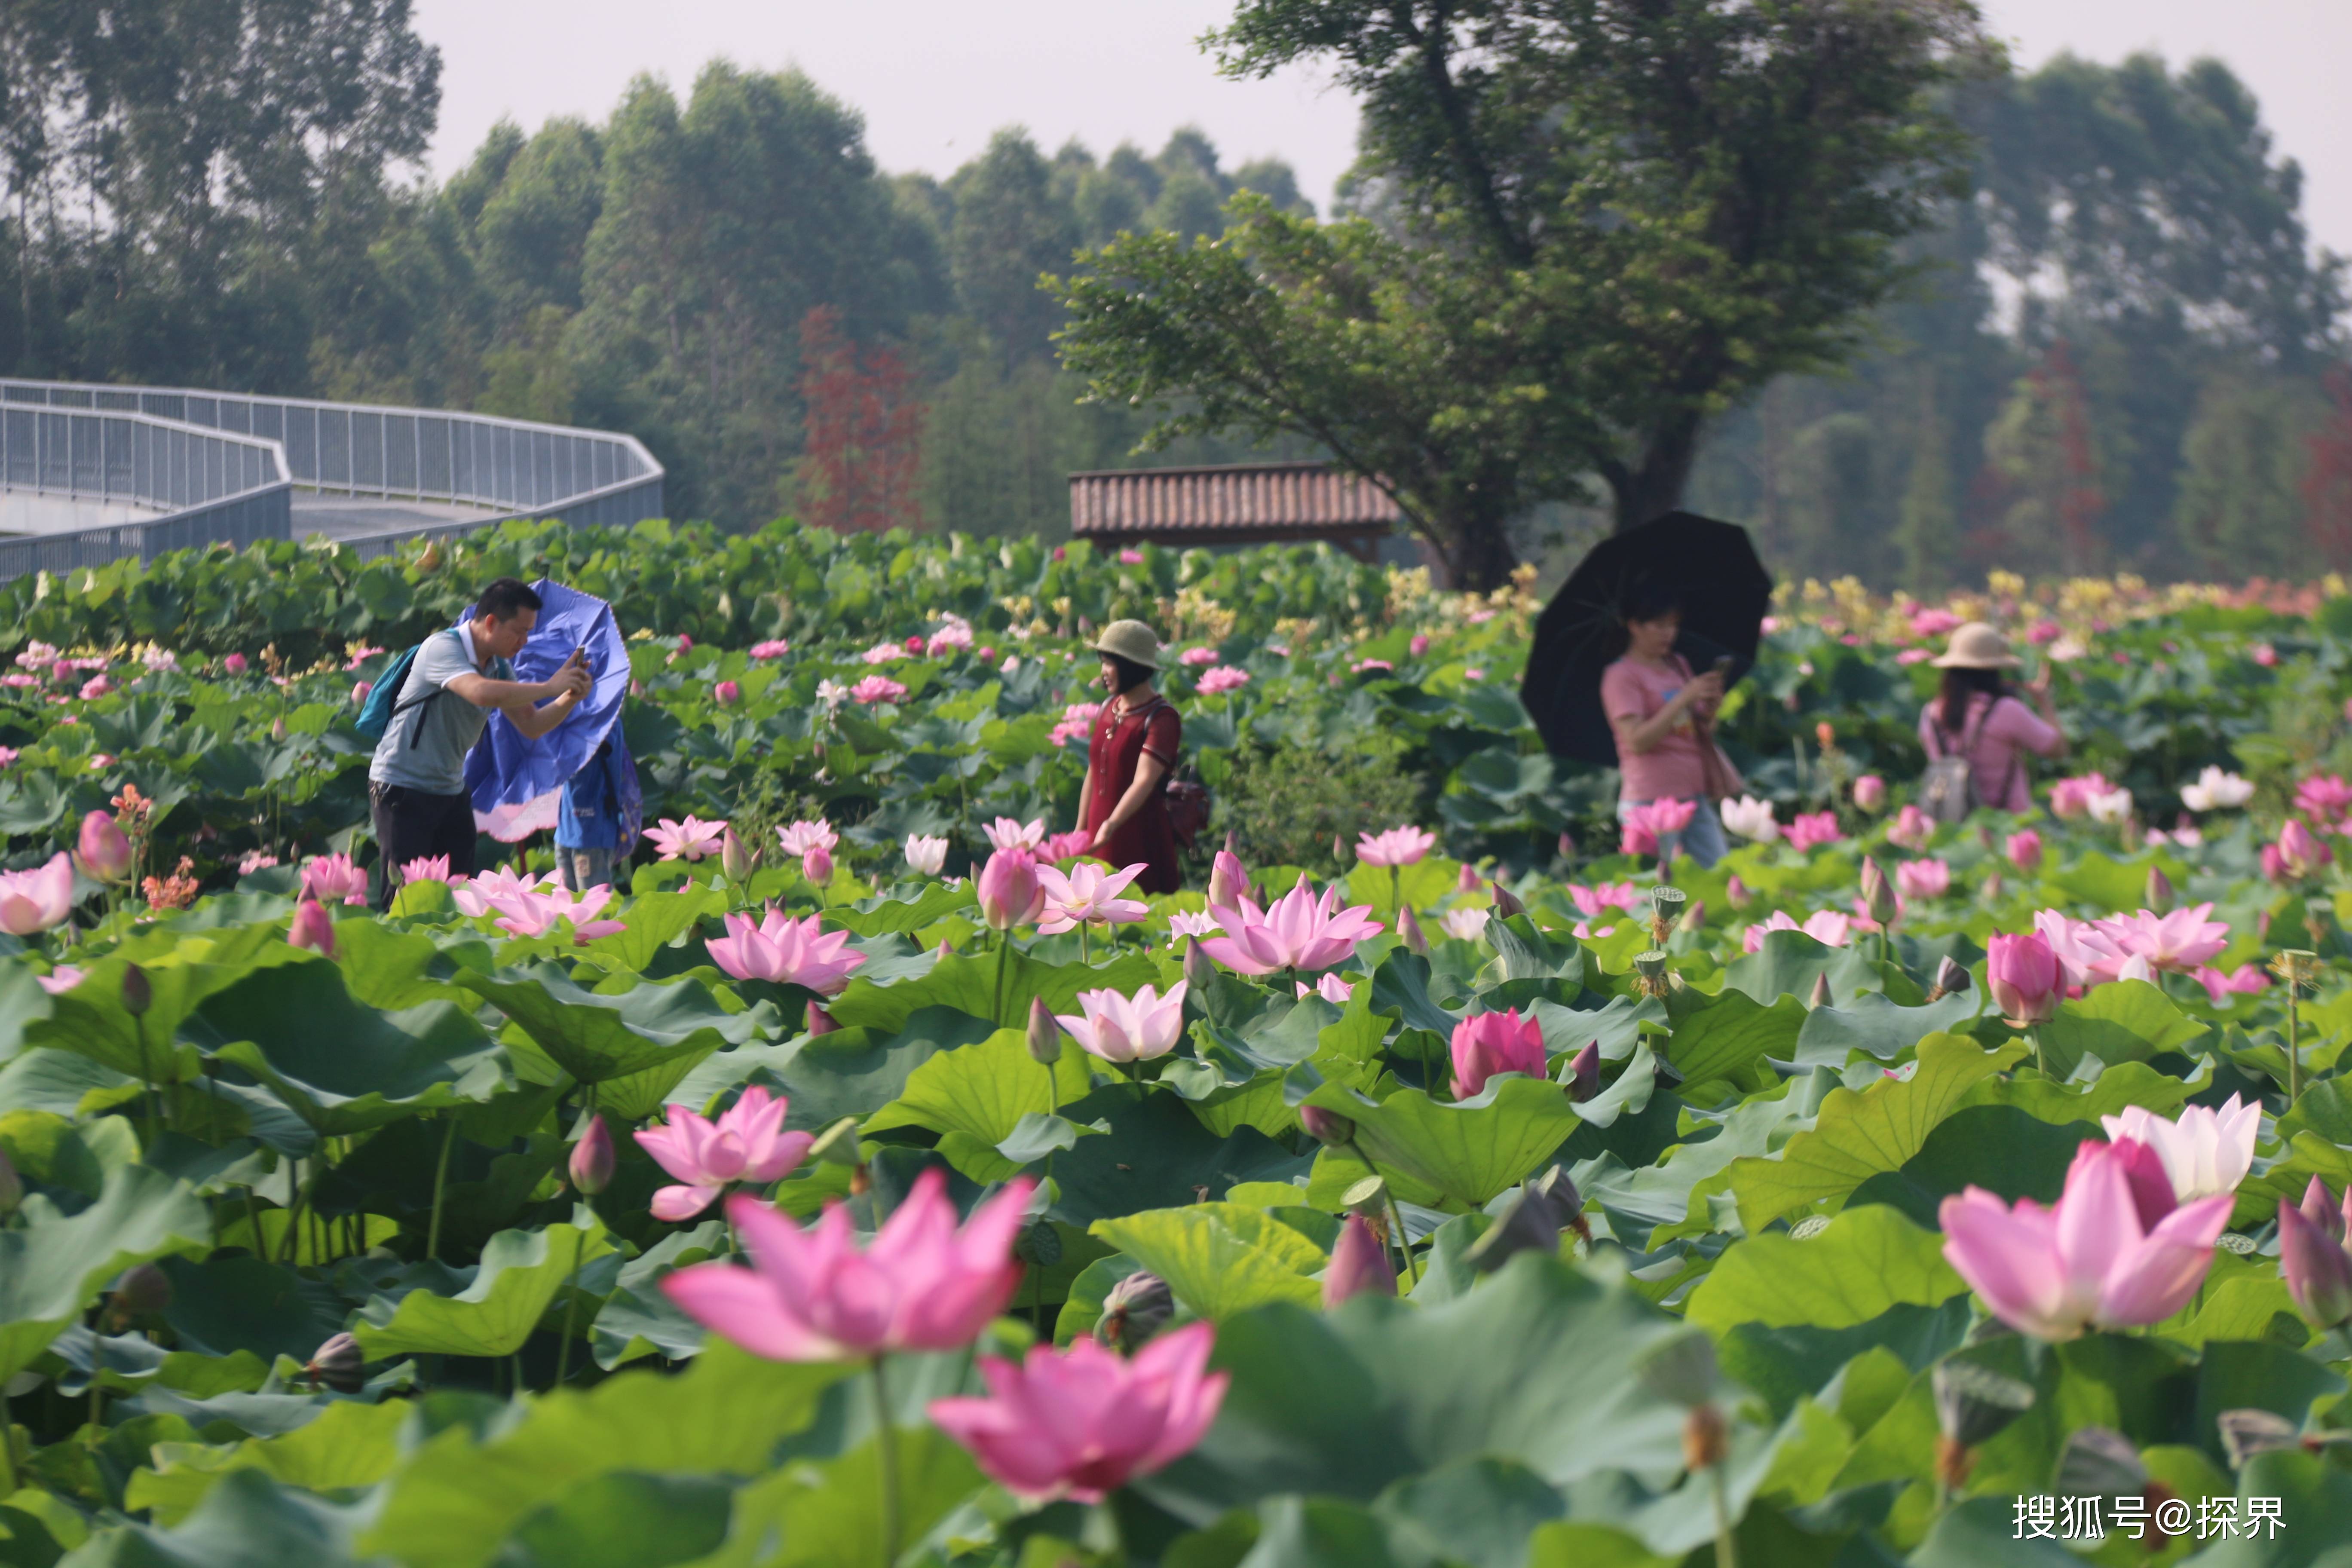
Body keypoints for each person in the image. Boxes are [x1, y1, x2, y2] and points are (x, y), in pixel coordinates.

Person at [370, 578, 591, 907]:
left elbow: (531, 724)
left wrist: (570, 698)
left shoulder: (500, 667)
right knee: (403, 899)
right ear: (490, 622)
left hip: (451, 790)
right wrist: (549, 687)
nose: (524, 641)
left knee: (459, 896)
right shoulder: (442, 648)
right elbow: (477, 691)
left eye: (529, 632)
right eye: (519, 631)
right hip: (402, 788)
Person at [1600, 585, 1740, 868]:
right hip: (1649, 801)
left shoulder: (1678, 664)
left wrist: (1709, 708)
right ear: (1634, 626)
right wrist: (1685, 698)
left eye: (1673, 625)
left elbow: (1697, 729)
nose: (1669, 633)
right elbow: (1637, 741)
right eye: (1659, 625)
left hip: (1692, 793)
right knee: (1653, 888)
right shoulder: (1621, 676)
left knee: (1718, 874)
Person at [1076, 619, 1182, 894]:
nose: (1104, 673)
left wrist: (1111, 825)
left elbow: (1144, 781)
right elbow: (1093, 770)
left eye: (1110, 664)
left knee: (1134, 905)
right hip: (1098, 830)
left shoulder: (1161, 718)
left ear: (1130, 666)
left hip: (1136, 832)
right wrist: (1080, 829)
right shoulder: (1108, 708)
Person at [1921, 622, 2064, 812]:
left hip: (1951, 828)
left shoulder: (1931, 713)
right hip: (2005, 828)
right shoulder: (2007, 710)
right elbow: (2058, 750)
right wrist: (2045, 703)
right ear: (1995, 670)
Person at [556, 736, 637, 893]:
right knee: (566, 907)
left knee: (594, 909)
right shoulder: (566, 719)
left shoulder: (603, 719)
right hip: (565, 831)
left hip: (591, 832)